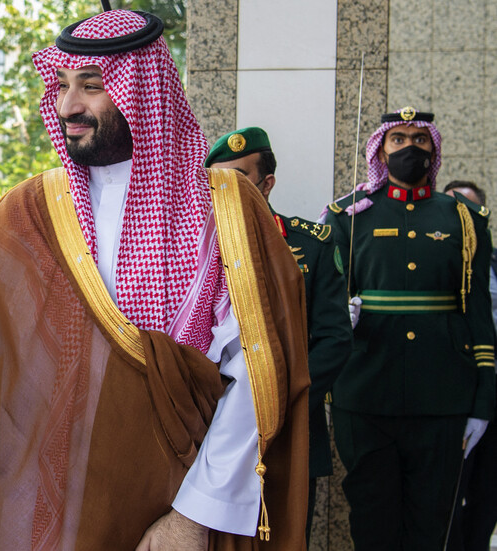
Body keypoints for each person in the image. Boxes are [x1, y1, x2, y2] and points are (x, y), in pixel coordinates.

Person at [0, 9, 310, 550]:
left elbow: (254, 375)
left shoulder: (224, 208)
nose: (67, 106)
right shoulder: (30, 210)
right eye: (60, 85)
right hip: (60, 508)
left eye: (92, 86)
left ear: (144, 91)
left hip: (182, 500)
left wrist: (192, 518)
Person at [323, 107, 495, 550]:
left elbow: (478, 316)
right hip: (365, 394)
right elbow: (325, 301)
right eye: (397, 139)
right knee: (373, 521)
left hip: (443, 395)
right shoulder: (348, 216)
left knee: (430, 523)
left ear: (433, 150)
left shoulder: (465, 219)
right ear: (380, 150)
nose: (409, 148)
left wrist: (483, 401)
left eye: (419, 140)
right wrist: (343, 315)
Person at [206, 127, 352, 541]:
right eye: (216, 180)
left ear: (266, 183)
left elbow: (335, 339)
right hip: (209, 423)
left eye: (238, 178)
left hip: (288, 424)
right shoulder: (193, 249)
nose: (225, 189)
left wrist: (279, 398)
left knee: (284, 537)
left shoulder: (312, 244)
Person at [442, 181, 497, 551]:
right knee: (448, 491)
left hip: (492, 390)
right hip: (452, 392)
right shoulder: (432, 262)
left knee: (488, 489)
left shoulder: (491, 261)